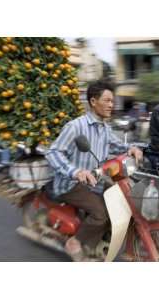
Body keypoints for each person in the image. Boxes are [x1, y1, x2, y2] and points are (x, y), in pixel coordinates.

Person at [45, 80, 143, 261]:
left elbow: (117, 145)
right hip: (71, 183)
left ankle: (103, 239)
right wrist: (75, 171)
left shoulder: (104, 128)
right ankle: (75, 242)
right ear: (93, 101)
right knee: (101, 213)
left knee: (123, 201)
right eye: (107, 100)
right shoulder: (76, 127)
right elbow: (53, 152)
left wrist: (132, 148)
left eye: (112, 101)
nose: (111, 105)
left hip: (94, 180)